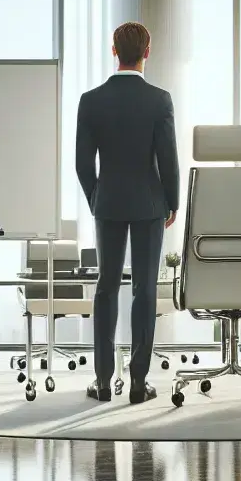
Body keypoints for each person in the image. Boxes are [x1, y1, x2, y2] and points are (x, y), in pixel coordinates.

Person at [75, 21, 180, 405]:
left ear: (114, 51)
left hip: (109, 203)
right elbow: (168, 158)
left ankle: (102, 382)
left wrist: (96, 199)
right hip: (150, 204)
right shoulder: (159, 100)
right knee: (144, 289)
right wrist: (173, 201)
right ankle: (138, 382)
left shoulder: (91, 100)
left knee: (105, 287)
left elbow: (83, 165)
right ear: (147, 52)